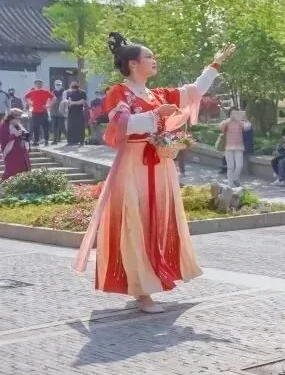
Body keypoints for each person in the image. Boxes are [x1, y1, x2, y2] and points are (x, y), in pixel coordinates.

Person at [73, 32, 235, 313]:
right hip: (133, 164)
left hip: (160, 165)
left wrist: (215, 64)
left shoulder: (156, 94)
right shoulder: (119, 92)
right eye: (148, 56)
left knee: (157, 223)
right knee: (135, 224)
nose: (154, 60)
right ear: (133, 64)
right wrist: (157, 115)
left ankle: (154, 277)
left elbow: (194, 91)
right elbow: (122, 124)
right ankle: (142, 289)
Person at [219, 111, 252, 187]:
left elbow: (248, 127)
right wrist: (229, 120)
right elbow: (220, 127)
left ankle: (234, 179)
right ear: (230, 114)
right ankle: (230, 183)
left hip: (239, 147)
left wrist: (246, 120)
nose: (235, 115)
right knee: (230, 166)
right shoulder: (227, 122)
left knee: (239, 165)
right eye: (233, 113)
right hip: (228, 147)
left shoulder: (240, 122)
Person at [1, 109, 31, 180]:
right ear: (12, 117)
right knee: (12, 170)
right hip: (11, 151)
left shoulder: (18, 124)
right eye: (18, 117)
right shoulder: (4, 125)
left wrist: (25, 136)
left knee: (24, 168)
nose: (19, 119)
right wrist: (14, 135)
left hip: (21, 151)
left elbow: (24, 134)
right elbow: (3, 139)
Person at [23, 80, 53, 146]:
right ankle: (36, 141)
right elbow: (25, 97)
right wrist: (29, 103)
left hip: (43, 111)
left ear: (42, 84)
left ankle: (46, 140)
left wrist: (48, 105)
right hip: (35, 112)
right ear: (35, 85)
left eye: (40, 84)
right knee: (36, 127)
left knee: (45, 127)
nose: (39, 85)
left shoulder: (46, 91)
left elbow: (54, 98)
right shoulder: (32, 92)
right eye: (37, 84)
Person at [49, 79, 68, 145]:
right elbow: (49, 102)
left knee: (62, 127)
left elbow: (66, 102)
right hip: (53, 112)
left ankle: (70, 139)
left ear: (61, 85)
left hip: (61, 113)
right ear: (54, 85)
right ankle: (55, 140)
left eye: (59, 84)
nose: (58, 86)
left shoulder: (64, 92)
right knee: (54, 128)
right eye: (56, 84)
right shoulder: (52, 93)